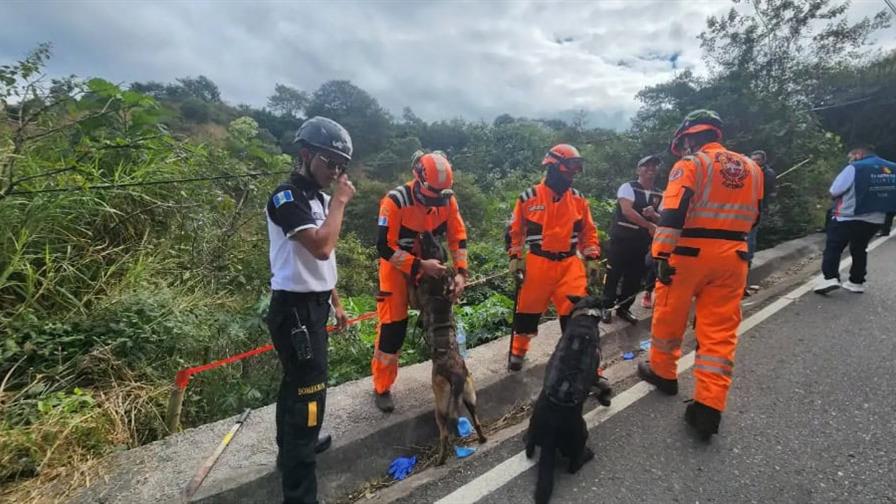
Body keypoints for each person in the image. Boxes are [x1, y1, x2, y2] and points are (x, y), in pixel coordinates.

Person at [637, 109, 763, 441]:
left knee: (669, 318)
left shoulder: (691, 164)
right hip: (734, 256)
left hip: (688, 255)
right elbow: (755, 217)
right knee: (720, 332)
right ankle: (709, 407)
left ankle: (664, 374)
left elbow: (673, 213)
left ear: (689, 137)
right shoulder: (752, 168)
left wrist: (660, 255)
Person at [265, 116, 355, 504]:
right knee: (309, 395)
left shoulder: (317, 198)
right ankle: (300, 494)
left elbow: (318, 266)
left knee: (296, 385)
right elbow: (321, 246)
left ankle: (292, 447)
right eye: (328, 162)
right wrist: (340, 202)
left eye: (340, 165)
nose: (335, 171)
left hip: (314, 306)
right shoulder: (286, 198)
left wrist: (335, 303)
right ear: (305, 155)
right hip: (295, 310)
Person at [371, 150, 469, 413]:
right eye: (431, 195)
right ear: (418, 180)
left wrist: (461, 272)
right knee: (393, 329)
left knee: (442, 319)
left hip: (431, 266)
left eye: (440, 195)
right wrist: (417, 265)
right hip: (397, 267)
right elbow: (384, 246)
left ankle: (453, 372)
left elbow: (457, 237)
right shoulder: (395, 201)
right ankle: (382, 387)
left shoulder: (447, 201)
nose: (435, 200)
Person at [505, 144, 601, 371]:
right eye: (568, 171)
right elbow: (515, 232)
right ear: (553, 167)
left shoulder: (578, 199)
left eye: (574, 172)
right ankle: (518, 351)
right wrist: (515, 256)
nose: (571, 177)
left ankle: (590, 370)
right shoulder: (528, 197)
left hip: (570, 265)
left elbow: (589, 232)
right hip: (538, 263)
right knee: (526, 312)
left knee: (579, 317)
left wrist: (593, 256)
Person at [814, 145, 896, 294]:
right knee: (859, 249)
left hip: (847, 216)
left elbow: (835, 190)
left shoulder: (855, 168)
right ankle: (856, 282)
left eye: (850, 156)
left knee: (834, 247)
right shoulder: (892, 167)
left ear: (859, 154)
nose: (850, 160)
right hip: (876, 219)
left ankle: (830, 278)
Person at [601, 155, 663, 323]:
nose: (651, 169)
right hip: (621, 239)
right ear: (638, 170)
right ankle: (606, 307)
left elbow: (663, 219)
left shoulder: (659, 194)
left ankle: (624, 308)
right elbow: (627, 211)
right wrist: (649, 225)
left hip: (641, 243)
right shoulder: (628, 187)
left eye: (654, 166)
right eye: (646, 166)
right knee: (613, 273)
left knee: (634, 278)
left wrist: (654, 215)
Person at [743, 150, 777, 296]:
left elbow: (771, 192)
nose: (755, 162)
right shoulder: (746, 171)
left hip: (756, 211)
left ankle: (743, 283)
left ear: (763, 161)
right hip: (743, 211)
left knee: (749, 244)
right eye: (753, 159)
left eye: (758, 160)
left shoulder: (768, 174)